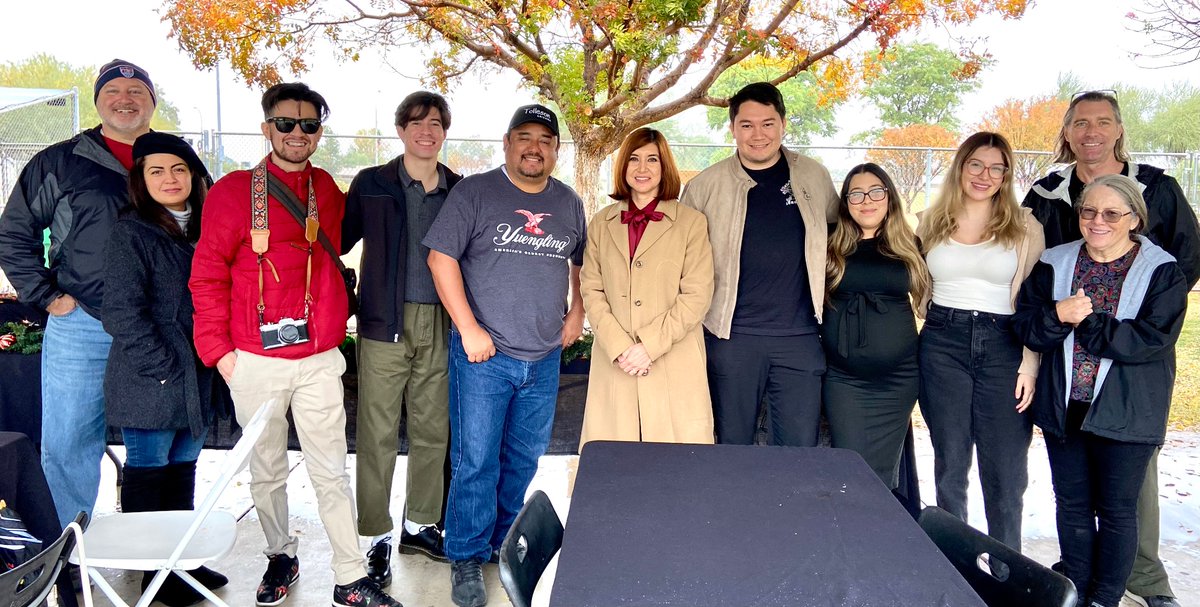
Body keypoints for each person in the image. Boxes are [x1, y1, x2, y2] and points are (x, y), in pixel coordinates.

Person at [189, 83, 402, 607]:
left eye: (308, 125)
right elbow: (207, 274)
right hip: (254, 359)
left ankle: (349, 575)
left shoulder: (326, 189)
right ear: (267, 128)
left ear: (318, 132)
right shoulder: (234, 192)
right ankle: (280, 553)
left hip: (315, 359)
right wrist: (220, 354)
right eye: (286, 123)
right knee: (267, 469)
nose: (297, 134)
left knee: (331, 467)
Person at [1022, 90, 1200, 607]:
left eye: (1113, 214)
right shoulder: (1049, 202)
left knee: (1124, 508)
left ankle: (1122, 590)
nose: (1099, 221)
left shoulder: (1158, 206)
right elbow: (1030, 312)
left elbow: (1153, 328)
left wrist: (1123, 310)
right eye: (1080, 123)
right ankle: (1078, 586)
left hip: (1126, 397)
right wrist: (1058, 319)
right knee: (1073, 504)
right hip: (1065, 399)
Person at [423, 104, 586, 607]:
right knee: (476, 461)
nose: (534, 147)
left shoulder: (568, 202)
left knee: (522, 459)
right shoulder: (475, 192)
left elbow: (579, 260)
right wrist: (468, 329)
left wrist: (577, 311)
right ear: (507, 142)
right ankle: (466, 556)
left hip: (542, 358)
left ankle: (498, 543)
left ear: (556, 149)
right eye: (524, 137)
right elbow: (439, 257)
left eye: (545, 139)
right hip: (484, 356)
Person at [0, 59, 156, 530]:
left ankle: (158, 557)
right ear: (98, 101)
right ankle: (67, 556)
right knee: (69, 442)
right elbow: (14, 234)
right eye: (115, 90)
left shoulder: (173, 158)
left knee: (156, 443)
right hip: (82, 321)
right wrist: (50, 298)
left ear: (152, 103)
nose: (125, 99)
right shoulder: (61, 160)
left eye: (137, 91)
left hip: (154, 324)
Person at [101, 132, 226, 607]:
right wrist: (163, 366)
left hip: (196, 372)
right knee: (149, 468)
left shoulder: (205, 228)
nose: (169, 179)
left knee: (183, 467)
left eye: (178, 169)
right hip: (150, 374)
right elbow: (122, 312)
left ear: (194, 175)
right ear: (142, 180)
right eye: (156, 171)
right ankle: (153, 573)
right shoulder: (133, 232)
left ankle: (183, 561)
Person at [343, 91, 463, 582]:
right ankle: (375, 535)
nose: (426, 131)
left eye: (435, 123)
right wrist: (352, 302)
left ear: (444, 131)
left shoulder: (459, 189)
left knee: (435, 428)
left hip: (441, 321)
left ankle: (420, 524)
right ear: (400, 130)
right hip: (382, 325)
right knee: (377, 432)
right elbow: (335, 243)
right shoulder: (372, 183)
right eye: (416, 122)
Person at [680, 82, 838, 447]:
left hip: (798, 337)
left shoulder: (813, 176)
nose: (758, 134)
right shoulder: (705, 187)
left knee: (798, 450)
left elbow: (840, 236)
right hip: (731, 337)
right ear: (733, 128)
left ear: (783, 124)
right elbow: (682, 263)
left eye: (768, 123)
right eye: (747, 124)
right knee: (731, 447)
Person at [915, 131, 1044, 552]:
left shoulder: (1025, 227)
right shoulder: (930, 223)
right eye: (976, 164)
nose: (985, 175)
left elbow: (1034, 300)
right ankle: (957, 567)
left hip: (1004, 345)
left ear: (1006, 175)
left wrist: (1030, 363)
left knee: (1005, 471)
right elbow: (917, 288)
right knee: (950, 462)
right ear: (960, 166)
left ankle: (1007, 569)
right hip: (942, 342)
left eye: (996, 168)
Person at [578, 127, 715, 447]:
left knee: (676, 470)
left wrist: (648, 347)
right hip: (616, 360)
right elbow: (591, 287)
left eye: (652, 159)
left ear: (665, 166)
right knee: (613, 467)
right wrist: (621, 347)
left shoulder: (691, 223)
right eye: (634, 159)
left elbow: (697, 295)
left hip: (671, 359)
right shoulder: (601, 222)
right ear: (623, 166)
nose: (642, 168)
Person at [820, 163, 928, 489]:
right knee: (849, 470)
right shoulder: (828, 243)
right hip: (845, 380)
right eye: (856, 193)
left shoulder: (909, 245)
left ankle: (880, 536)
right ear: (846, 201)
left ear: (889, 197)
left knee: (885, 474)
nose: (866, 200)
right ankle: (848, 538)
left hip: (898, 380)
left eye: (875, 191)